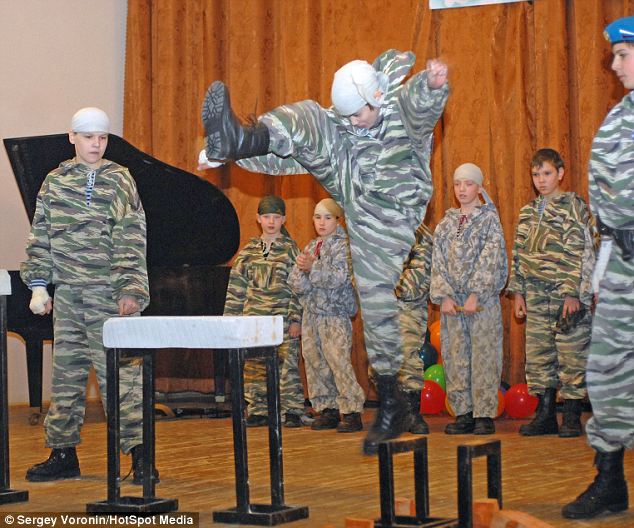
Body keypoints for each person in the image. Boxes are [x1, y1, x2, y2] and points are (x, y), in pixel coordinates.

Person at [200, 49, 449, 454]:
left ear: (377, 99)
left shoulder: (400, 112)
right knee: (312, 120)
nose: (352, 122)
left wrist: (433, 85)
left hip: (388, 213)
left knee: (375, 297)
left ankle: (391, 401)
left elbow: (421, 104)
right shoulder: (344, 121)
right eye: (347, 114)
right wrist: (237, 154)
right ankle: (241, 135)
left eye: (359, 115)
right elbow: (299, 156)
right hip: (352, 182)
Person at [20, 107, 154, 485]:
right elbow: (40, 236)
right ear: (72, 137)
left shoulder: (120, 179)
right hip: (69, 298)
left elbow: (131, 236)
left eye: (102, 137)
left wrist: (129, 290)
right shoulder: (55, 182)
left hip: (110, 297)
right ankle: (63, 453)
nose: (96, 144)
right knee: (66, 377)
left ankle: (141, 456)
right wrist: (38, 285)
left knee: (123, 379)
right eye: (89, 136)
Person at [562, 16, 634, 519]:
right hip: (622, 265)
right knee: (606, 372)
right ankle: (610, 481)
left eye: (623, 55)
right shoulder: (618, 118)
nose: (614, 64)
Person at [507, 148, 595, 438]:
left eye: (546, 173)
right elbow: (518, 253)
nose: (541, 180)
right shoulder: (528, 211)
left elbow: (577, 249)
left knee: (571, 354)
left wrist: (572, 293)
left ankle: (571, 416)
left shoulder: (573, 204)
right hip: (535, 292)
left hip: (564, 293)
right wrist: (518, 292)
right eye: (536, 174)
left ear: (560, 173)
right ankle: (545, 415)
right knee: (539, 354)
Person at [430, 163, 507, 435]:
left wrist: (476, 293)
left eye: (468, 184)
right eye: (457, 184)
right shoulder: (446, 223)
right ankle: (462, 412)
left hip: (480, 302)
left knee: (484, 355)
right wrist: (443, 297)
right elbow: (437, 262)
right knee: (455, 356)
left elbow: (492, 258)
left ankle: (484, 413)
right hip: (453, 304)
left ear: (479, 186)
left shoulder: (488, 220)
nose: (462, 189)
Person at [223, 195, 305, 428]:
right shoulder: (248, 251)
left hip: (281, 319)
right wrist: (232, 321)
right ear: (258, 219)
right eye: (267, 217)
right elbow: (236, 287)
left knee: (288, 365)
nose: (271, 222)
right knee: (254, 366)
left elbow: (298, 288)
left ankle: (292, 410)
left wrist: (295, 319)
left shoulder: (291, 250)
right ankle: (259, 409)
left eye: (276, 217)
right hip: (253, 319)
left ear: (284, 219)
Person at [288, 198, 364, 433]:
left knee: (338, 361)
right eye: (317, 217)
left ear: (338, 220)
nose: (321, 222)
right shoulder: (311, 247)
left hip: (334, 314)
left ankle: (351, 411)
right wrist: (302, 270)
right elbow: (295, 282)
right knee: (314, 360)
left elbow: (339, 278)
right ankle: (327, 408)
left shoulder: (345, 247)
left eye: (327, 217)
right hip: (312, 314)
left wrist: (312, 268)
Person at [394, 222, 434, 435]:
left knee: (407, 358)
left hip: (408, 309)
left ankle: (412, 413)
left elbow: (413, 285)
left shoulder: (421, 236)